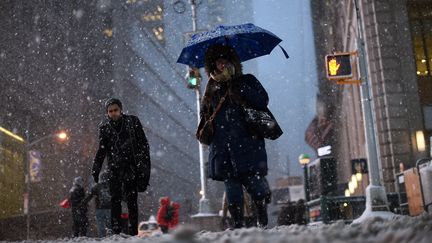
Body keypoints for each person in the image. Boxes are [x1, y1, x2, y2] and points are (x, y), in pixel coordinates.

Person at [199, 44, 272, 228]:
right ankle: (238, 225)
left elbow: (262, 100)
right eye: (218, 62)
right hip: (223, 148)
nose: (222, 64)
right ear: (213, 65)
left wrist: (240, 89)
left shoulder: (246, 81)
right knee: (232, 191)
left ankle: (261, 214)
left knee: (256, 188)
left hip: (247, 144)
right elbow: (205, 115)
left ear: (232, 63)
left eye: (225, 61)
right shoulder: (211, 88)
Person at [92, 98, 151, 235]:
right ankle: (116, 231)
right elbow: (101, 150)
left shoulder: (132, 122)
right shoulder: (105, 127)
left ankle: (133, 231)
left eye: (115, 110)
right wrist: (96, 169)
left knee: (132, 200)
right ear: (107, 113)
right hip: (114, 168)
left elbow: (143, 144)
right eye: (110, 111)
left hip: (130, 167)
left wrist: (143, 165)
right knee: (115, 200)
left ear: (121, 110)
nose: (113, 113)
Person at [82, 171, 112, 237]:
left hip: (99, 209)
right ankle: (111, 238)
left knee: (100, 226)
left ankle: (102, 238)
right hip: (110, 209)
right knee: (110, 226)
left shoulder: (97, 186)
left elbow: (90, 196)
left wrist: (83, 203)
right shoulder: (111, 186)